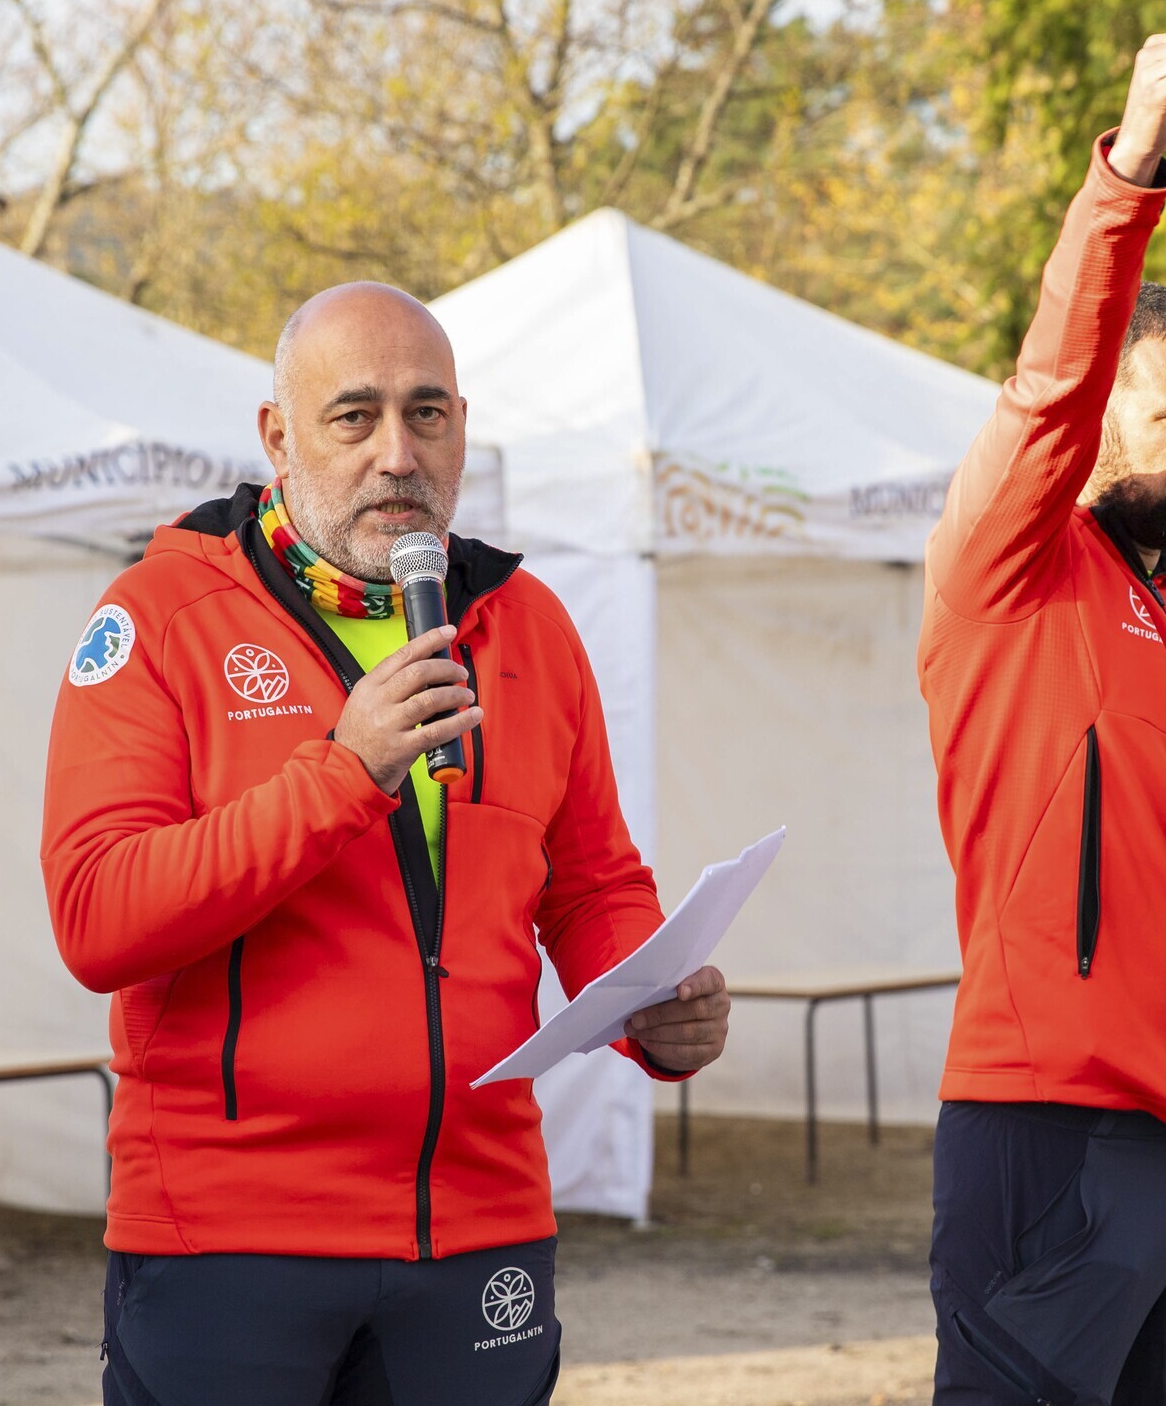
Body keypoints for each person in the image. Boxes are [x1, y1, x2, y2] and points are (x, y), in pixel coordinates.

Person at [41, 281, 730, 1406]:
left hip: (481, 1227)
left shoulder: (530, 624)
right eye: (354, 417)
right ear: (278, 436)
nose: (397, 455)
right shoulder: (159, 619)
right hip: (229, 1234)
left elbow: (591, 885)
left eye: (427, 414)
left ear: (462, 427)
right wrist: (344, 773)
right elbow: (98, 918)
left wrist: (657, 1001)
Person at [917, 27, 1166, 1405]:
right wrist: (1135, 161)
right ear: (1101, 420)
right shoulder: (1007, 572)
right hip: (1053, 1126)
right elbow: (1047, 383)